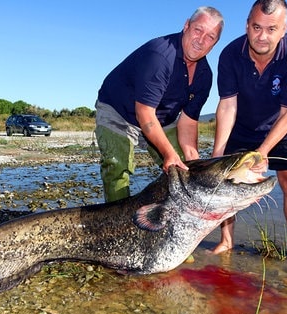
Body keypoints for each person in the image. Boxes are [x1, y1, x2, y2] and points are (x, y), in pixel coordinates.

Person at [211, 0, 287, 266]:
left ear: (283, 29)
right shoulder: (230, 54)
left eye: (271, 29)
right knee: (227, 179)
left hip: (283, 124)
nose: (262, 36)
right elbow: (227, 104)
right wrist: (218, 153)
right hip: (242, 124)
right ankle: (226, 240)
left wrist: (263, 153)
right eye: (256, 27)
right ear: (247, 25)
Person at [95, 7, 224, 202]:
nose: (201, 40)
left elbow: (188, 124)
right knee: (117, 169)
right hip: (119, 110)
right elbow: (144, 113)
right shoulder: (160, 55)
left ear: (215, 43)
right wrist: (168, 154)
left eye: (210, 36)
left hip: (162, 117)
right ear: (186, 25)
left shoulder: (204, 76)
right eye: (198, 30)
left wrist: (196, 167)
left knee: (184, 169)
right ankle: (117, 224)